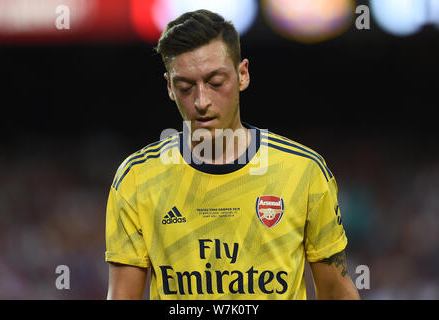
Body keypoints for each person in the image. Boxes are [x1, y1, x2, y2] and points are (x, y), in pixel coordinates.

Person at [105, 9, 360, 300]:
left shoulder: (305, 172)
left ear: (242, 75)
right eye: (186, 86)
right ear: (169, 88)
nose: (202, 101)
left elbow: (336, 292)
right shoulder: (136, 179)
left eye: (215, 82)